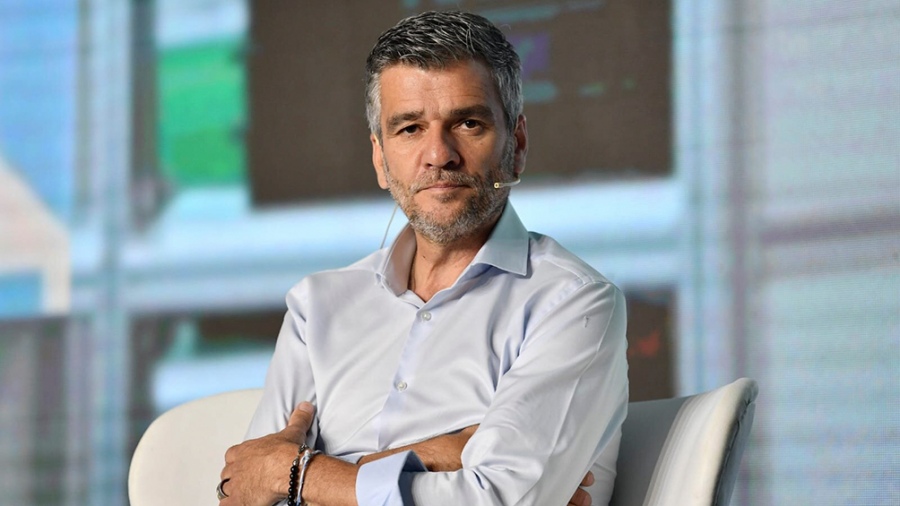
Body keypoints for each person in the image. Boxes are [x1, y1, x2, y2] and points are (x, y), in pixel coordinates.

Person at [218, 10, 628, 506]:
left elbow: (499, 500)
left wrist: (296, 474)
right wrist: (440, 454)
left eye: (468, 123)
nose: (439, 154)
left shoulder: (574, 304)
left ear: (516, 145)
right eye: (410, 128)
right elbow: (247, 491)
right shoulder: (316, 307)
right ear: (380, 158)